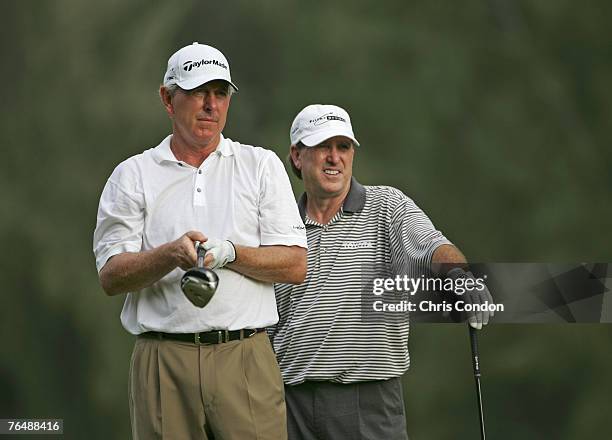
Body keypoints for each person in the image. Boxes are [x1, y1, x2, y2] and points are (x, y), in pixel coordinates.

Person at [93, 42, 307, 440]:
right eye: (196, 92)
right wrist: (170, 255)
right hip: (162, 359)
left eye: (220, 93)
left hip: (245, 357)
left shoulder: (260, 165)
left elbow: (294, 264)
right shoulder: (132, 175)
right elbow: (111, 276)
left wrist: (231, 253)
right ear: (167, 99)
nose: (210, 105)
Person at [271, 104, 493, 439]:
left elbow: (432, 245)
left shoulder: (386, 206)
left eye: (343, 147)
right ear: (297, 156)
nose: (334, 158)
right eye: (322, 147)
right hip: (288, 406)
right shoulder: (278, 223)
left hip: (368, 402)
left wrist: (459, 276)